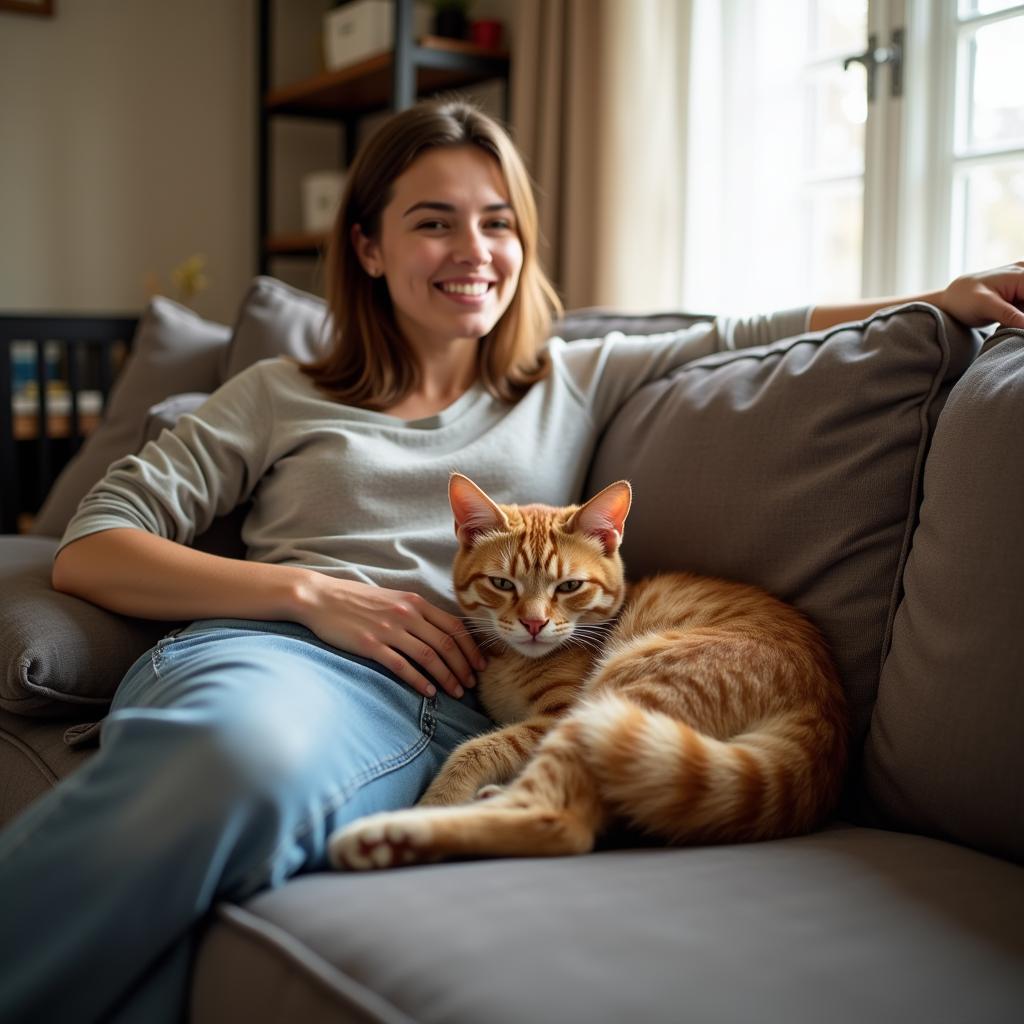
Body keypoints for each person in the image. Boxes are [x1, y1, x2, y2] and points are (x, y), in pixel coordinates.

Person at [1, 97, 1022, 1024]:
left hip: (490, 704)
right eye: (433, 220)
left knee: (236, 864)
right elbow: (93, 552)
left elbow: (759, 330)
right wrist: (315, 595)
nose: (473, 248)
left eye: (497, 221)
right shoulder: (278, 390)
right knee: (234, 768)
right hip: (293, 665)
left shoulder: (575, 373)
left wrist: (936, 300)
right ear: (365, 246)